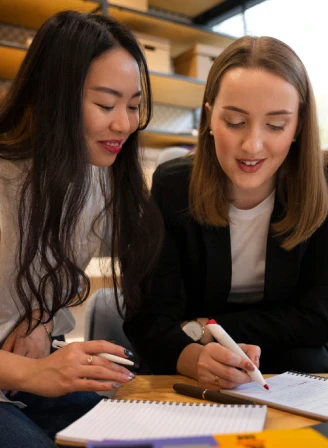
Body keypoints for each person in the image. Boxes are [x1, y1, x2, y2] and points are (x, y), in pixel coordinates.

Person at [124, 35, 328, 391]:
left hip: (294, 364)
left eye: (276, 125)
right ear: (209, 119)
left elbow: (319, 318)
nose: (253, 145)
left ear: (297, 127)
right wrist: (195, 354)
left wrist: (208, 327)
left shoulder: (324, 186)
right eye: (235, 122)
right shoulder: (173, 188)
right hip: (194, 366)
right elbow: (148, 319)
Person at [0, 10, 162, 448]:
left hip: (21, 379)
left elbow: (40, 280)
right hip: (18, 377)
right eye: (106, 105)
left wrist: (39, 316)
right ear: (52, 96)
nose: (124, 124)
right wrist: (34, 372)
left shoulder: (96, 176)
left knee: (138, 435)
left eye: (132, 106)